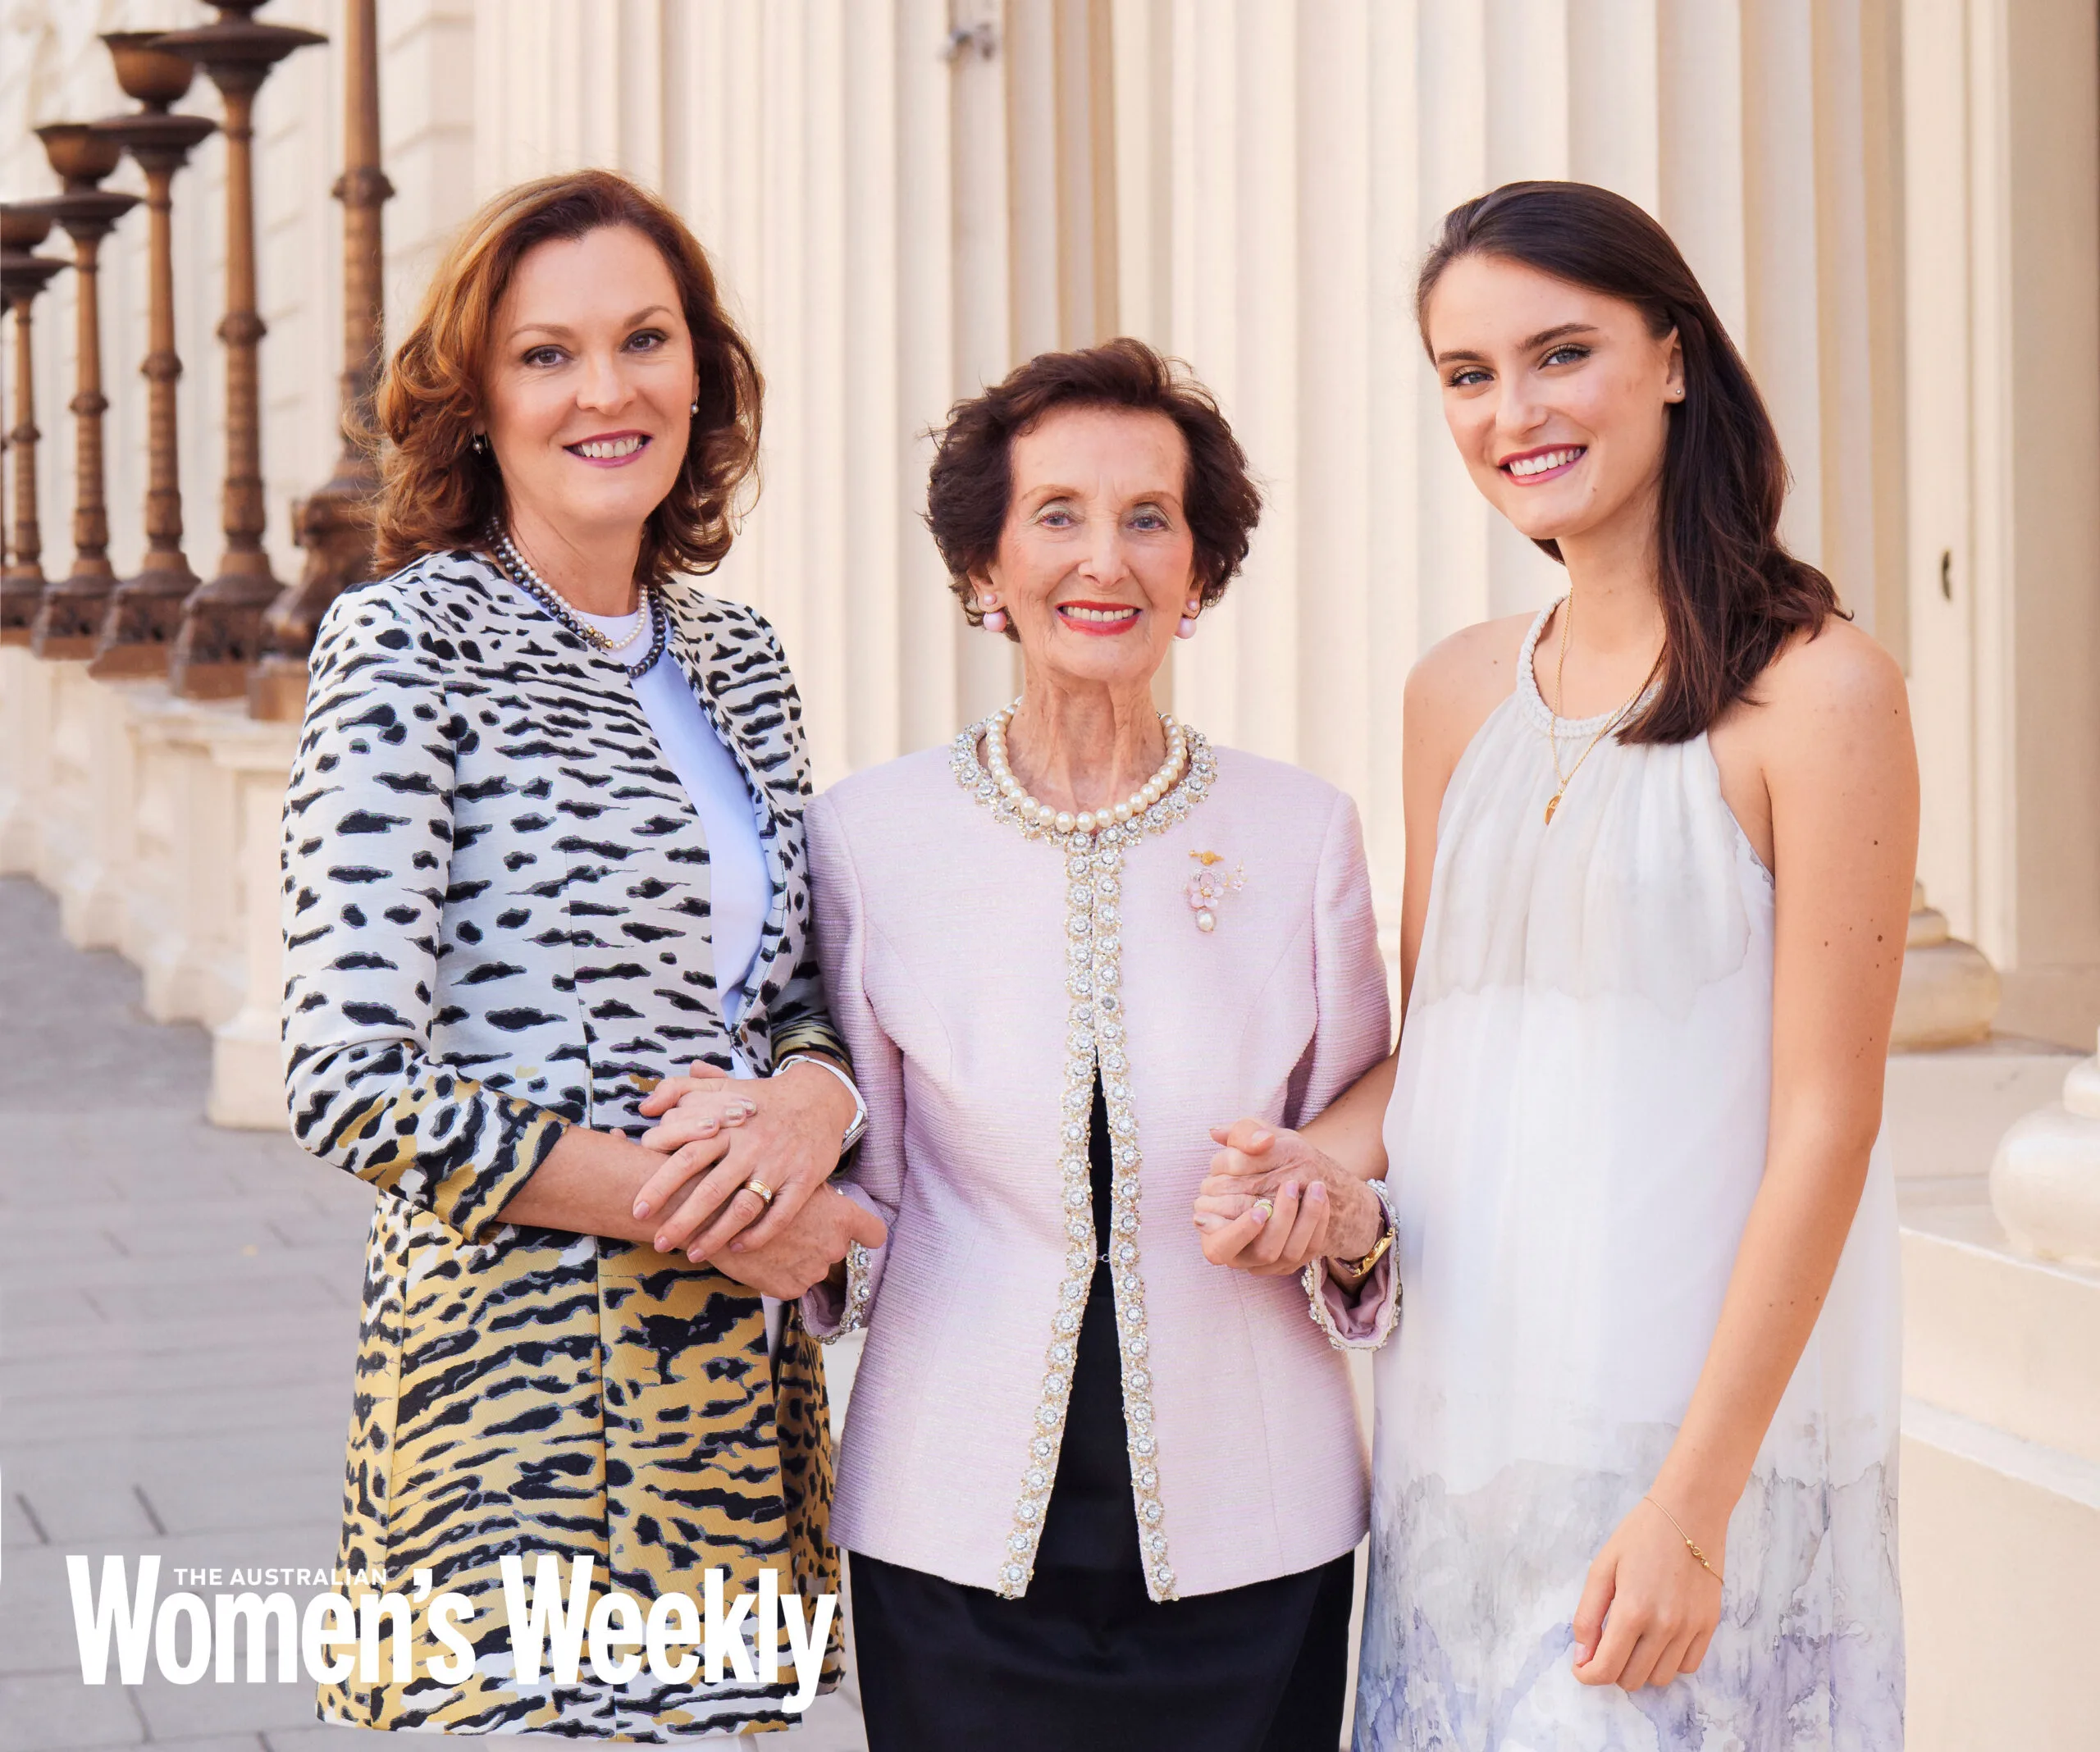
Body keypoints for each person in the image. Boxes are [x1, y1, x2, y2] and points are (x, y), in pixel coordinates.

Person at [1200, 181, 1915, 1750]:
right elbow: (1444, 1045)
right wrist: (1309, 1164)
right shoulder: (1454, 693)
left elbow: (1830, 1126)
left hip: (1681, 1464)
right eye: (1467, 374)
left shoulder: (1822, 695)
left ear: (1671, 356)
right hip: (1460, 1455)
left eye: (1559, 353)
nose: (1511, 411)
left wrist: (1697, 1507)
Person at [646, 338, 1398, 1749]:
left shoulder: (1304, 836)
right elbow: (859, 1159)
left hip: (1258, 1520)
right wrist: (764, 1194)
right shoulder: (869, 839)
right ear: (985, 568)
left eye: (1147, 518)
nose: (1101, 559)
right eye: (1056, 515)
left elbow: (1362, 1109)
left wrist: (1329, 1205)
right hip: (951, 1519)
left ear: (1198, 569)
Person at [280, 168, 882, 1738]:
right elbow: (350, 1083)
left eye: (644, 340)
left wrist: (810, 1120)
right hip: (511, 1409)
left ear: (701, 372)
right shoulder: (408, 641)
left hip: (728, 1416)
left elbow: (799, 997)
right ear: (475, 400)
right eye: (547, 354)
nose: (606, 390)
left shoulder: (738, 656)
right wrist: (710, 1217)